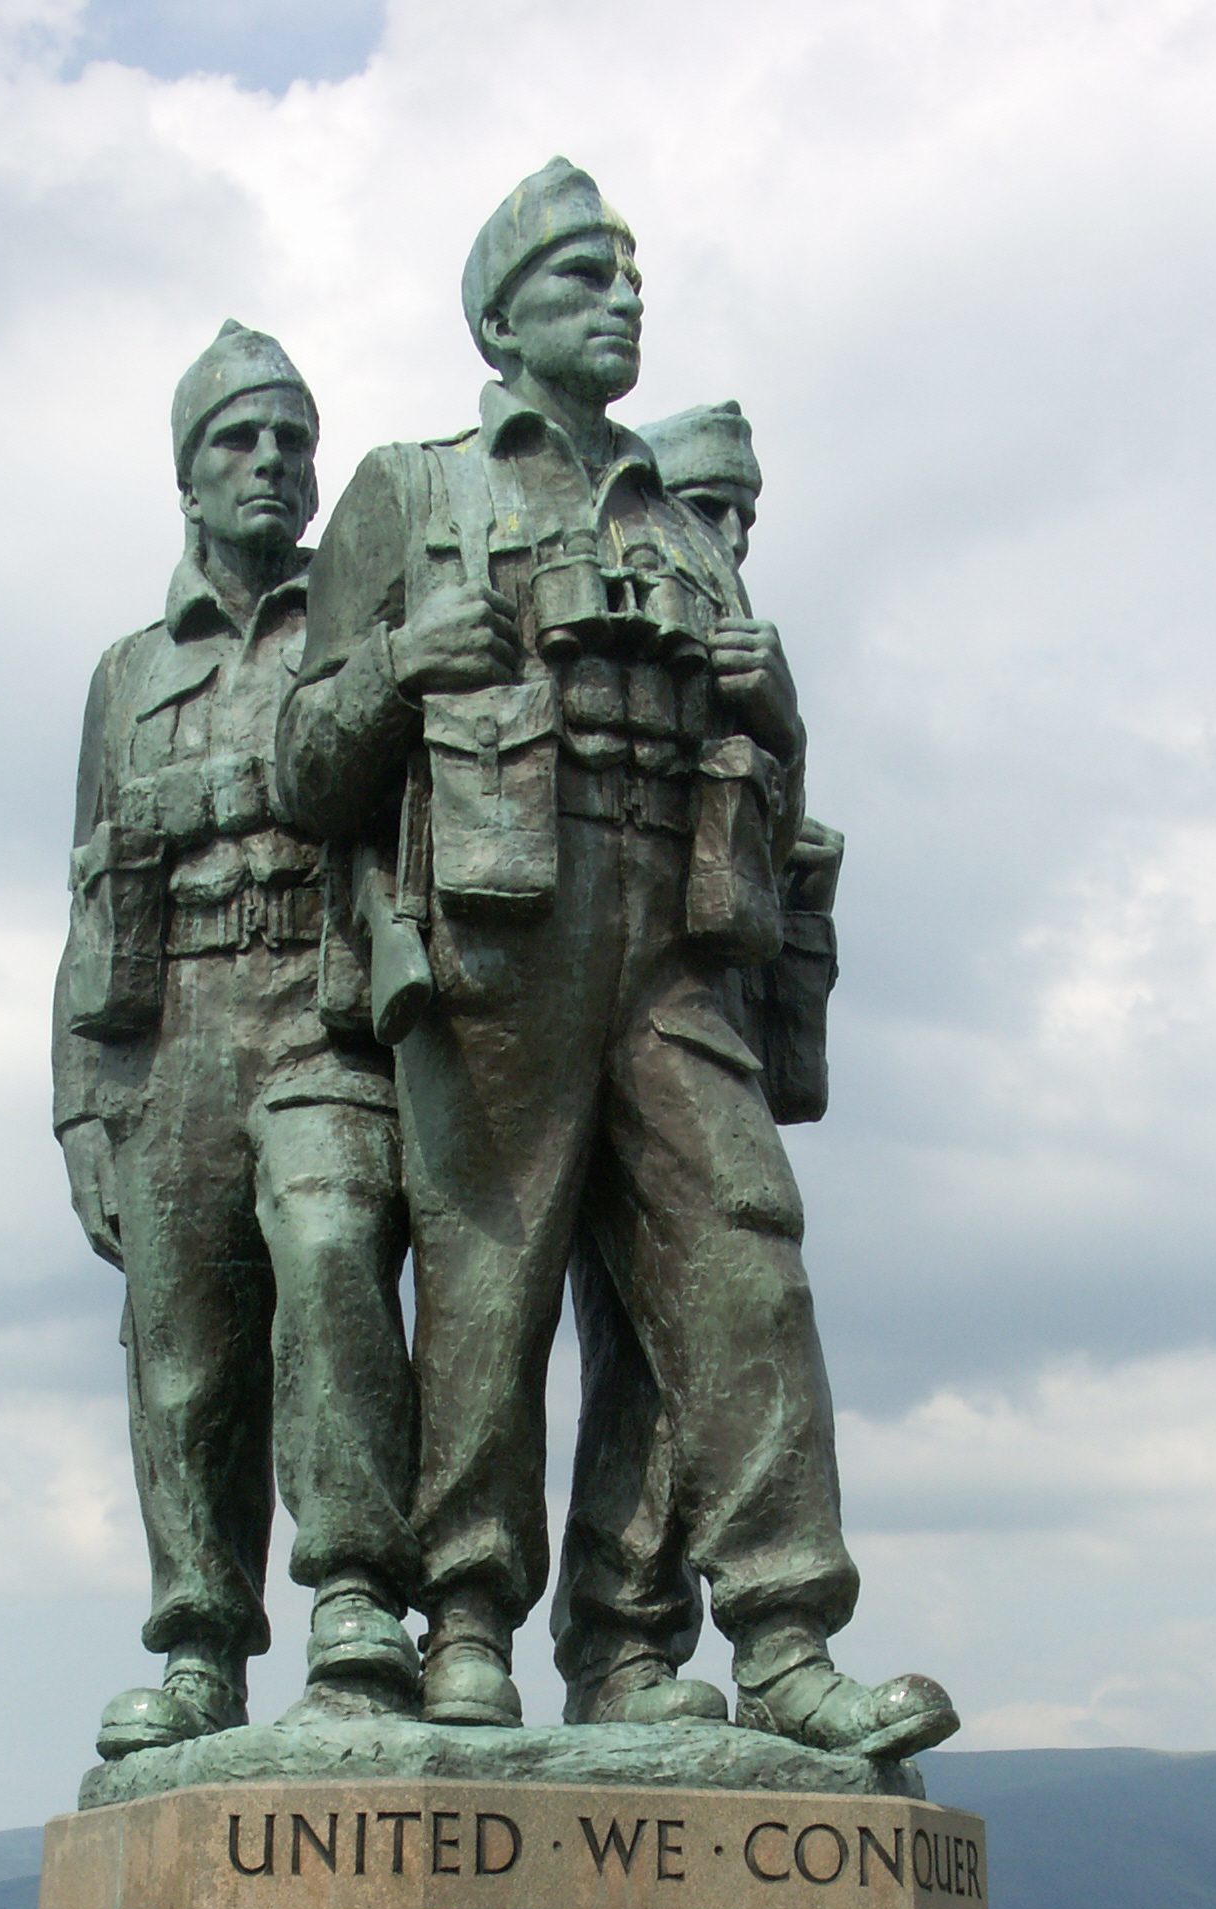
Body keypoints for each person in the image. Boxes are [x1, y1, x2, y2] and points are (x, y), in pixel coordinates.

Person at [276, 162, 953, 1760]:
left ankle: (780, 1636)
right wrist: (389, 669)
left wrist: (776, 706)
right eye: (585, 275)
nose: (624, 298)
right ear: (500, 317)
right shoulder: (411, 489)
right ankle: (461, 1620)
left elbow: (771, 788)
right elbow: (308, 765)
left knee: (742, 1244)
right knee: (488, 1276)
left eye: (633, 273)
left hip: (674, 926)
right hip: (505, 923)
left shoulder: (673, 513)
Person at [55, 321, 419, 1761]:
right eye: (238, 440)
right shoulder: (125, 673)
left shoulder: (354, 621)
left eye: (292, 439)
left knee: (332, 1250)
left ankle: (353, 1594)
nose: (272, 462)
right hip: (170, 1030)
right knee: (184, 1353)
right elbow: (85, 889)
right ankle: (201, 1639)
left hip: (318, 1003)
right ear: (187, 477)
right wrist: (84, 1110)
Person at [551, 399, 847, 1726]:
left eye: (741, 517)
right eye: (704, 508)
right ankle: (534, 1642)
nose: (723, 536)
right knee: (523, 1336)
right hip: (546, 992)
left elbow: (776, 876)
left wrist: (773, 726)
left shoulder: (749, 675)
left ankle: (647, 1644)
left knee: (697, 1333)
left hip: (695, 1016)